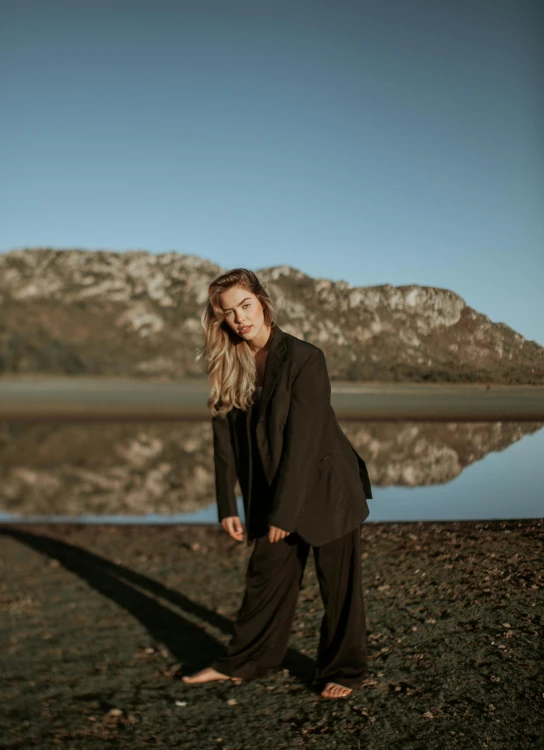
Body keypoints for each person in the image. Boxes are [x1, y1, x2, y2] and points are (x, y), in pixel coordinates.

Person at [183, 268, 372, 699]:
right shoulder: (228, 362)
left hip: (326, 488)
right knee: (264, 578)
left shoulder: (306, 358)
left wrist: (284, 514)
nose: (240, 318)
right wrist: (226, 504)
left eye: (245, 305)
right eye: (228, 313)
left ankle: (345, 670)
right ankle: (245, 662)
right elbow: (224, 440)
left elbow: (303, 443)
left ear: (264, 303)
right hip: (274, 492)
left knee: (339, 588)